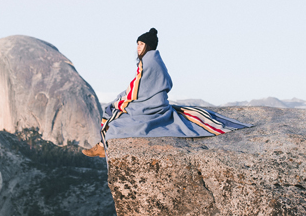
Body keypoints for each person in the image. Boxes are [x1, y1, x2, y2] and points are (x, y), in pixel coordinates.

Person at [81, 28, 249, 157]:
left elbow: (136, 90)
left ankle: (102, 148)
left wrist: (121, 99)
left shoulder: (148, 62)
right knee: (116, 110)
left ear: (148, 45)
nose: (138, 48)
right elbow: (157, 84)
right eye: (137, 44)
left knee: (114, 116)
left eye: (140, 44)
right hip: (154, 104)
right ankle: (101, 146)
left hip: (149, 108)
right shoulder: (155, 60)